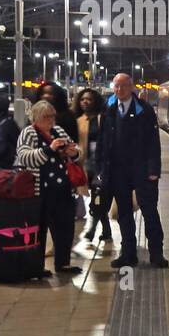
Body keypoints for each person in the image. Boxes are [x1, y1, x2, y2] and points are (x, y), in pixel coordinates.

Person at [98, 73, 167, 268]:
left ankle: (156, 254)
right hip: (118, 171)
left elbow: (154, 142)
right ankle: (128, 254)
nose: (120, 90)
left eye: (124, 86)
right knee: (124, 214)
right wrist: (102, 169)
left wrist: (154, 168)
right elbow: (103, 142)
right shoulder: (109, 111)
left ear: (131, 87)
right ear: (113, 89)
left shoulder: (144, 111)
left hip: (143, 170)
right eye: (117, 87)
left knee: (150, 211)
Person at [15, 100, 82, 276]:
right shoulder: (28, 133)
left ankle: (63, 263)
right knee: (39, 229)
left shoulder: (58, 131)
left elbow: (76, 150)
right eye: (46, 117)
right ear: (36, 117)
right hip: (40, 191)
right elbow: (24, 157)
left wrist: (73, 152)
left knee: (65, 228)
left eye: (52, 116)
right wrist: (48, 150)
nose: (51, 120)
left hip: (63, 189)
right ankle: (36, 267)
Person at [74, 87, 112, 245]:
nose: (85, 102)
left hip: (101, 165)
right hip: (84, 164)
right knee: (97, 200)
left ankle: (92, 229)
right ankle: (106, 229)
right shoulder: (78, 120)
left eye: (88, 99)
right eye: (82, 99)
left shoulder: (102, 118)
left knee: (97, 199)